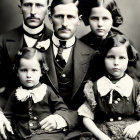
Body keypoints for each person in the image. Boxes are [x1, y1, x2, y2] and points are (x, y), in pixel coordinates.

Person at [39, 0, 97, 139]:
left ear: (79, 20)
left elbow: (95, 104)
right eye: (59, 16)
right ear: (49, 17)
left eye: (70, 17)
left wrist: (65, 118)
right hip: (41, 128)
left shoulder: (92, 55)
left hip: (78, 129)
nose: (65, 23)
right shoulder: (35, 51)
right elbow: (14, 91)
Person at [0, 0, 52, 139]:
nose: (33, 11)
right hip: (8, 115)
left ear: (48, 9)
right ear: (20, 8)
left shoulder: (57, 40)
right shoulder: (3, 41)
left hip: (45, 125)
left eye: (39, 5)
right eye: (28, 4)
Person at [1, 47, 74, 140]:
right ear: (17, 72)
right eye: (24, 70)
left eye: (34, 70)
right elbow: (8, 115)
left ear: (41, 72)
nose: (28, 75)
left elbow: (62, 108)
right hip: (21, 133)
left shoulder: (47, 90)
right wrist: (6, 125)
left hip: (45, 132)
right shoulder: (16, 93)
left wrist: (56, 117)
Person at [78, 34, 140, 140]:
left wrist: (137, 126)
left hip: (129, 134)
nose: (116, 63)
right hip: (103, 133)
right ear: (103, 58)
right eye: (111, 57)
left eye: (122, 58)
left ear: (128, 59)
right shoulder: (95, 87)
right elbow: (86, 116)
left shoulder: (135, 86)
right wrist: (100, 135)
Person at [79, 0, 140, 81]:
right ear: (87, 18)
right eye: (94, 18)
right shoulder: (81, 44)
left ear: (113, 19)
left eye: (105, 18)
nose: (100, 24)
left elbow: (134, 76)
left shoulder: (123, 43)